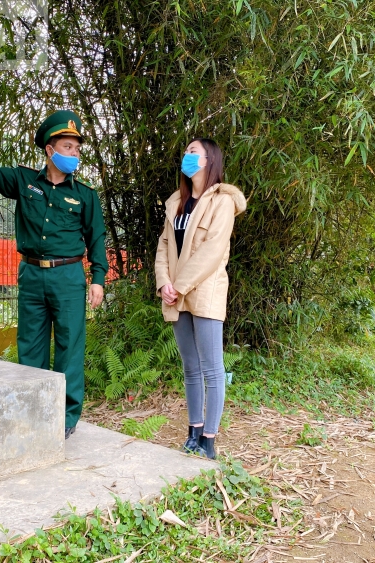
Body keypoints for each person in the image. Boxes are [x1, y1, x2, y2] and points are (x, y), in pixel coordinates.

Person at [0, 101, 108, 440]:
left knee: (69, 346)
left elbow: (97, 238)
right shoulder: (24, 181)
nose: (74, 153)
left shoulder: (85, 196)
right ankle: (32, 408)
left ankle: (65, 416)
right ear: (49, 150)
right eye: (67, 147)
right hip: (32, 275)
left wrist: (97, 280)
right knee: (31, 347)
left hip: (68, 277)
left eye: (77, 148)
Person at [154, 138, 246, 459]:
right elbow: (164, 247)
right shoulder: (176, 202)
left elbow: (212, 252)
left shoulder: (222, 202)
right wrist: (165, 283)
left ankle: (209, 439)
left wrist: (179, 284)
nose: (186, 156)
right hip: (176, 293)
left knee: (212, 369)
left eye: (193, 152)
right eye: (186, 151)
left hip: (204, 291)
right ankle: (193, 431)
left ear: (209, 160)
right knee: (190, 367)